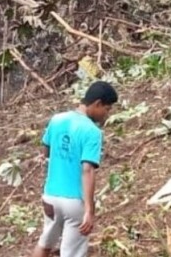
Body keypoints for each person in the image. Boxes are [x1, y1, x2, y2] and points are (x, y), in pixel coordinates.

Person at [33, 81, 118, 257]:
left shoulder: (57, 119)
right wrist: (89, 209)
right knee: (72, 253)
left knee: (45, 244)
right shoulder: (92, 131)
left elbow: (46, 149)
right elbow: (87, 170)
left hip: (50, 197)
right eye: (107, 109)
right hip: (74, 202)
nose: (106, 115)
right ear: (97, 103)